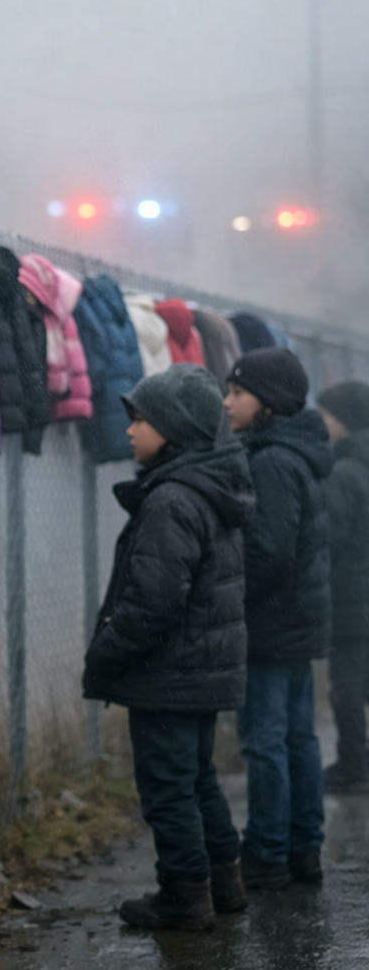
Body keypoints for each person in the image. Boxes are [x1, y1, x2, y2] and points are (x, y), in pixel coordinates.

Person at [84, 364, 255, 931]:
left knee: (166, 790)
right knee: (197, 778)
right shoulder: (207, 487)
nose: (130, 431)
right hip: (197, 671)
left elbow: (153, 603)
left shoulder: (173, 498)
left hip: (169, 674)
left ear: (174, 429)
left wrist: (107, 651)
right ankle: (223, 882)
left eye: (141, 420)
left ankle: (184, 896)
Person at [224, 348, 332, 890]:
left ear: (266, 402)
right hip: (299, 619)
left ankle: (268, 849)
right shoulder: (298, 453)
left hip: (271, 624)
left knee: (266, 740)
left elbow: (268, 551)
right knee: (298, 737)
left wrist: (232, 594)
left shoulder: (269, 461)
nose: (227, 401)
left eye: (237, 392)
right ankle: (303, 845)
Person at [317, 381, 369, 791]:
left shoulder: (345, 472)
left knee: (347, 686)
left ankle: (353, 764)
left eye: (327, 415)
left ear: (345, 421)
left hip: (352, 598)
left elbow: (329, 536)